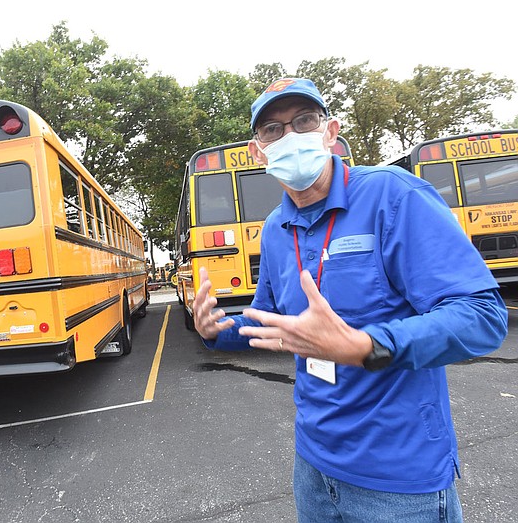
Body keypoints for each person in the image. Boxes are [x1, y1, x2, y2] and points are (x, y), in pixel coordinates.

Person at [192, 78, 507, 522]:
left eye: (303, 121)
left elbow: (481, 316)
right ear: (256, 152)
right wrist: (217, 329)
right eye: (273, 130)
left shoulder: (393, 196)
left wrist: (366, 346)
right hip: (314, 466)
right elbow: (272, 322)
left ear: (330, 132)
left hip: (398, 481)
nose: (291, 136)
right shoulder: (276, 229)